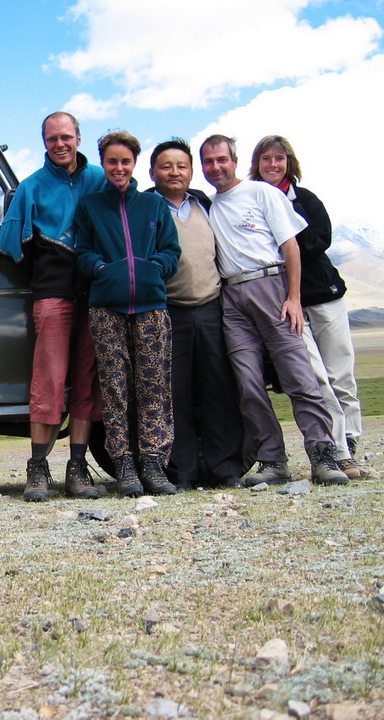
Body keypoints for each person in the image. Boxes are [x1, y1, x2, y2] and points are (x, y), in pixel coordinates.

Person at [198, 134, 348, 486]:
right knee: (248, 383)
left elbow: (290, 246)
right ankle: (272, 459)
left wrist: (293, 298)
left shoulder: (261, 193)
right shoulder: (209, 206)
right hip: (232, 298)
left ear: (235, 161)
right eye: (208, 161)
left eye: (222, 159)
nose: (216, 167)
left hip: (271, 288)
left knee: (299, 377)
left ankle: (323, 455)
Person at [0, 111, 107, 502]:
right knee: (49, 380)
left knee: (87, 381)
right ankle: (37, 469)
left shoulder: (100, 179)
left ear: (78, 137)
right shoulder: (30, 187)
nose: (59, 144)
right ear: (44, 142)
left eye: (66, 136)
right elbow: (10, 245)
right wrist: (47, 271)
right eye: (52, 138)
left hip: (95, 295)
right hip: (53, 295)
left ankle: (77, 468)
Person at [249, 135, 369, 480]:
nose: (273, 165)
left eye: (279, 158)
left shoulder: (305, 200)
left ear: (290, 163)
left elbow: (320, 240)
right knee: (316, 378)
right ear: (257, 164)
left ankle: (350, 441)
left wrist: (284, 236)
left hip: (323, 295)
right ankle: (336, 451)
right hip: (287, 302)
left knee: (341, 374)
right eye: (266, 159)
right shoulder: (251, 202)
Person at [75, 130, 181, 497]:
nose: (118, 168)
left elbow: (171, 250)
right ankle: (123, 463)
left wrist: (155, 268)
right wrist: (101, 268)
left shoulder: (153, 206)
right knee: (114, 389)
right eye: (112, 161)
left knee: (154, 387)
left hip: (151, 307)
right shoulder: (90, 205)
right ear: (103, 163)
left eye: (125, 161)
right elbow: (82, 252)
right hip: (106, 309)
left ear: (135, 164)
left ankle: (153, 463)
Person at [148, 138, 245, 490]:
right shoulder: (146, 207)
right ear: (152, 173)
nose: (174, 172)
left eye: (182, 166)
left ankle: (226, 469)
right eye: (166, 166)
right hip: (168, 312)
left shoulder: (205, 204)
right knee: (175, 395)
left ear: (191, 171)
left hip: (211, 308)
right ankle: (182, 473)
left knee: (219, 389)